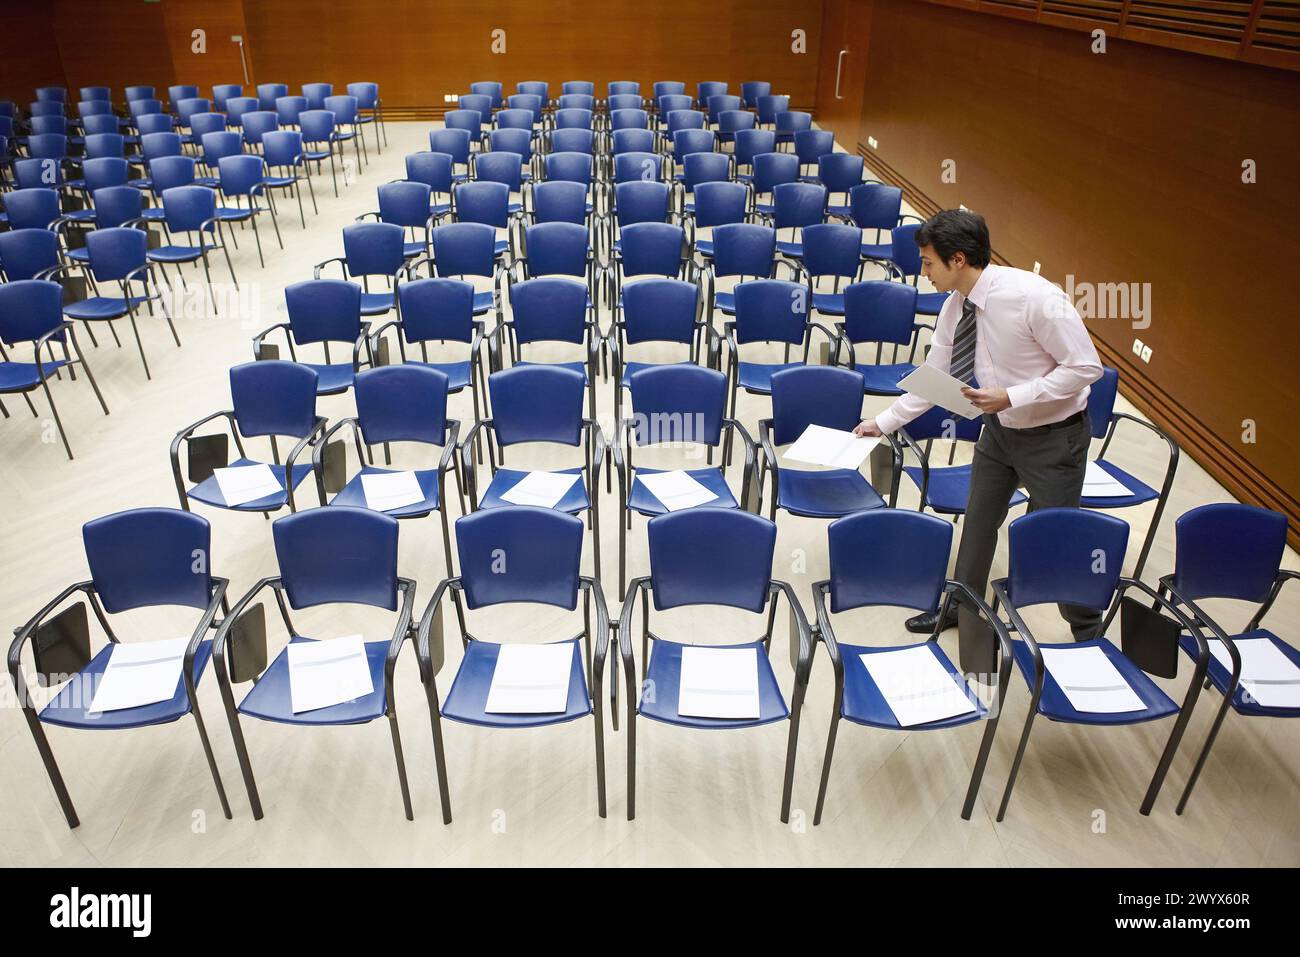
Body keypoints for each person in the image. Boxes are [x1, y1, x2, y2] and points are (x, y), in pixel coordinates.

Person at [855, 209, 1104, 637]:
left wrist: (1013, 395)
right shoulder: (955, 308)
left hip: (1053, 438)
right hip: (1000, 433)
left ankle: (1086, 632)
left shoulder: (1035, 298)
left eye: (928, 261)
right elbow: (935, 380)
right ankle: (961, 606)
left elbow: (1085, 368)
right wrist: (883, 422)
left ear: (957, 260)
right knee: (978, 522)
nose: (923, 271)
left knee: (1059, 536)